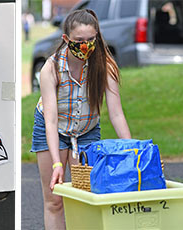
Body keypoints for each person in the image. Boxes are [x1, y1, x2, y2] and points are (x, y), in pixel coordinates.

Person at [32, 9, 131, 230]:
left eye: (90, 40)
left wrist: (132, 150)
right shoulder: (52, 67)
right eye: (79, 40)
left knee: (84, 196)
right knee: (54, 200)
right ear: (66, 39)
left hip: (86, 130)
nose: (85, 45)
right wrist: (58, 162)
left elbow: (116, 114)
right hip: (52, 129)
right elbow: (51, 121)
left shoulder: (106, 66)